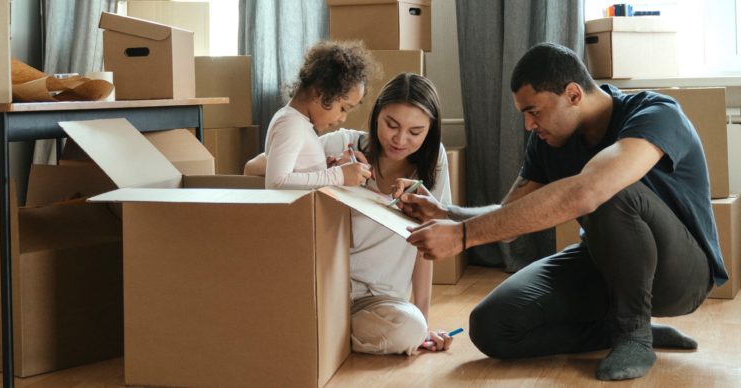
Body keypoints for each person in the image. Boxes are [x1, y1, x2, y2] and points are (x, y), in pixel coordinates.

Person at [394, 42, 727, 380]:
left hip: (681, 276)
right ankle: (616, 329)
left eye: (534, 111)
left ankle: (634, 335)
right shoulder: (548, 141)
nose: (527, 125)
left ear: (572, 94)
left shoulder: (656, 113)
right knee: (492, 326)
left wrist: (463, 237)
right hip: (604, 264)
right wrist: (447, 214)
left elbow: (590, 191)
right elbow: (511, 215)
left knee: (609, 189)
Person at [246, 72, 456, 355]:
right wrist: (330, 172)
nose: (400, 139)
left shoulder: (434, 164)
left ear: (430, 131)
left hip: (380, 301)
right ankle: (320, 333)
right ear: (376, 114)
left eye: (415, 132)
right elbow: (254, 167)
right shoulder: (341, 144)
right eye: (391, 125)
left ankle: (318, 335)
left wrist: (424, 322)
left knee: (411, 329)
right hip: (327, 288)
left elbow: (426, 246)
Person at [262, 40, 373, 189]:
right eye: (343, 109)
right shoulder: (290, 124)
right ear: (319, 92)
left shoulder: (300, 123)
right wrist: (338, 175)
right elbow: (276, 183)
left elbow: (297, 175)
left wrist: (323, 170)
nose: (343, 118)